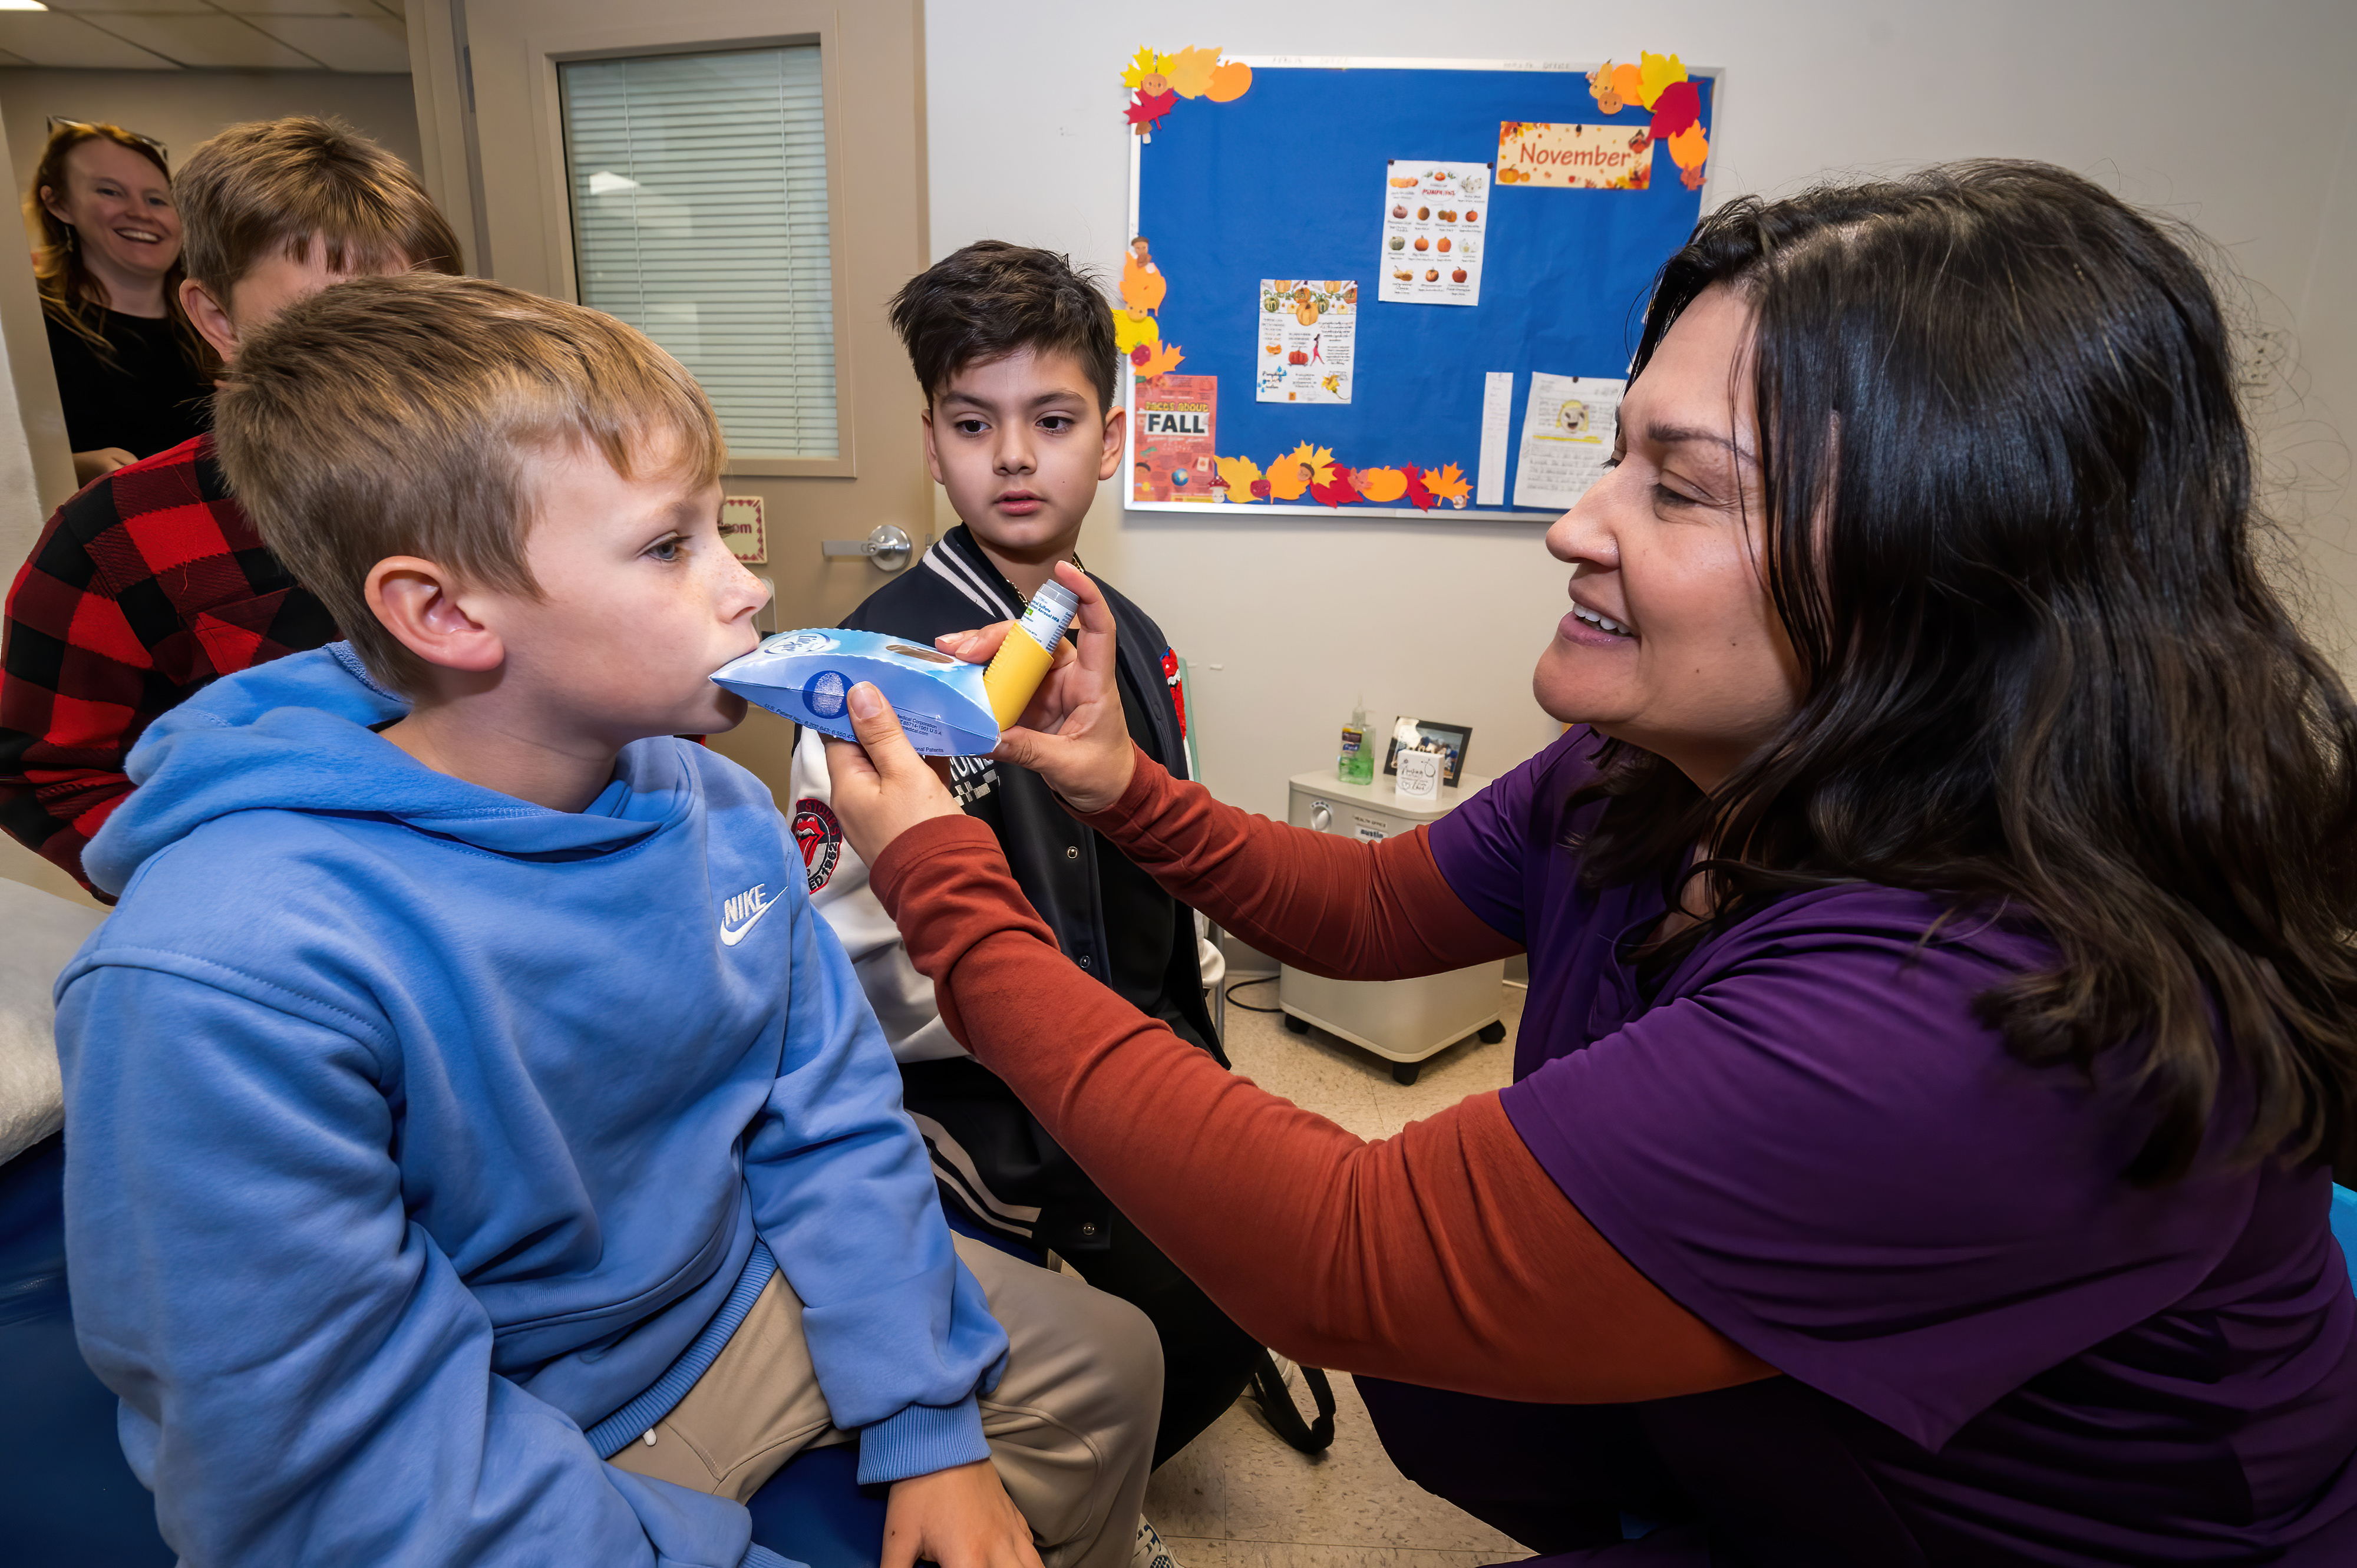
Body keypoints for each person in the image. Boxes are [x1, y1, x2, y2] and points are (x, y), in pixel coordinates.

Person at [818, 162, 2357, 1563]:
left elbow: (1336, 1245)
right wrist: (1122, 785)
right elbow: (1361, 902)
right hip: (1782, 1439)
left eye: (1677, 487)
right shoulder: (1658, 763)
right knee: (1453, 1377)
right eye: (1618, 453)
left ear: (1940, 580)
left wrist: (942, 876)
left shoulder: (1967, 1010)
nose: (1575, 523)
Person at [52, 272, 1160, 1568]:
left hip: (730, 1292)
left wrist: (926, 1415)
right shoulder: (220, 976)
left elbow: (828, 1114)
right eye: (667, 546)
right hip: (524, 1403)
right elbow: (336, 1471)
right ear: (447, 614)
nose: (745, 588)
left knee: (1113, 1360)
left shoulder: (712, 802)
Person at [790, 241, 1262, 1467]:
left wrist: (1190, 1031)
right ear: (932, 438)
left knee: (1242, 1293)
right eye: (971, 421)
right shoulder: (871, 671)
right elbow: (844, 960)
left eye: (1050, 419)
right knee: (1143, 1344)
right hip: (980, 1090)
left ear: (1109, 439)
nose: (1010, 455)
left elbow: (1173, 861)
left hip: (1141, 1054)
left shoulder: (1132, 634)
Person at [0, 115, 459, 896]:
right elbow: (42, 768)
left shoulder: (524, 481)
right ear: (219, 321)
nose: (386, 352)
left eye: (414, 310)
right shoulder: (120, 533)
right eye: (332, 318)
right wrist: (212, 884)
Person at [23, 120, 216, 484]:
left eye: (157, 199)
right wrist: (75, 465)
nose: (141, 213)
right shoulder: (29, 327)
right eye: (110, 192)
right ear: (58, 204)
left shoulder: (218, 320)